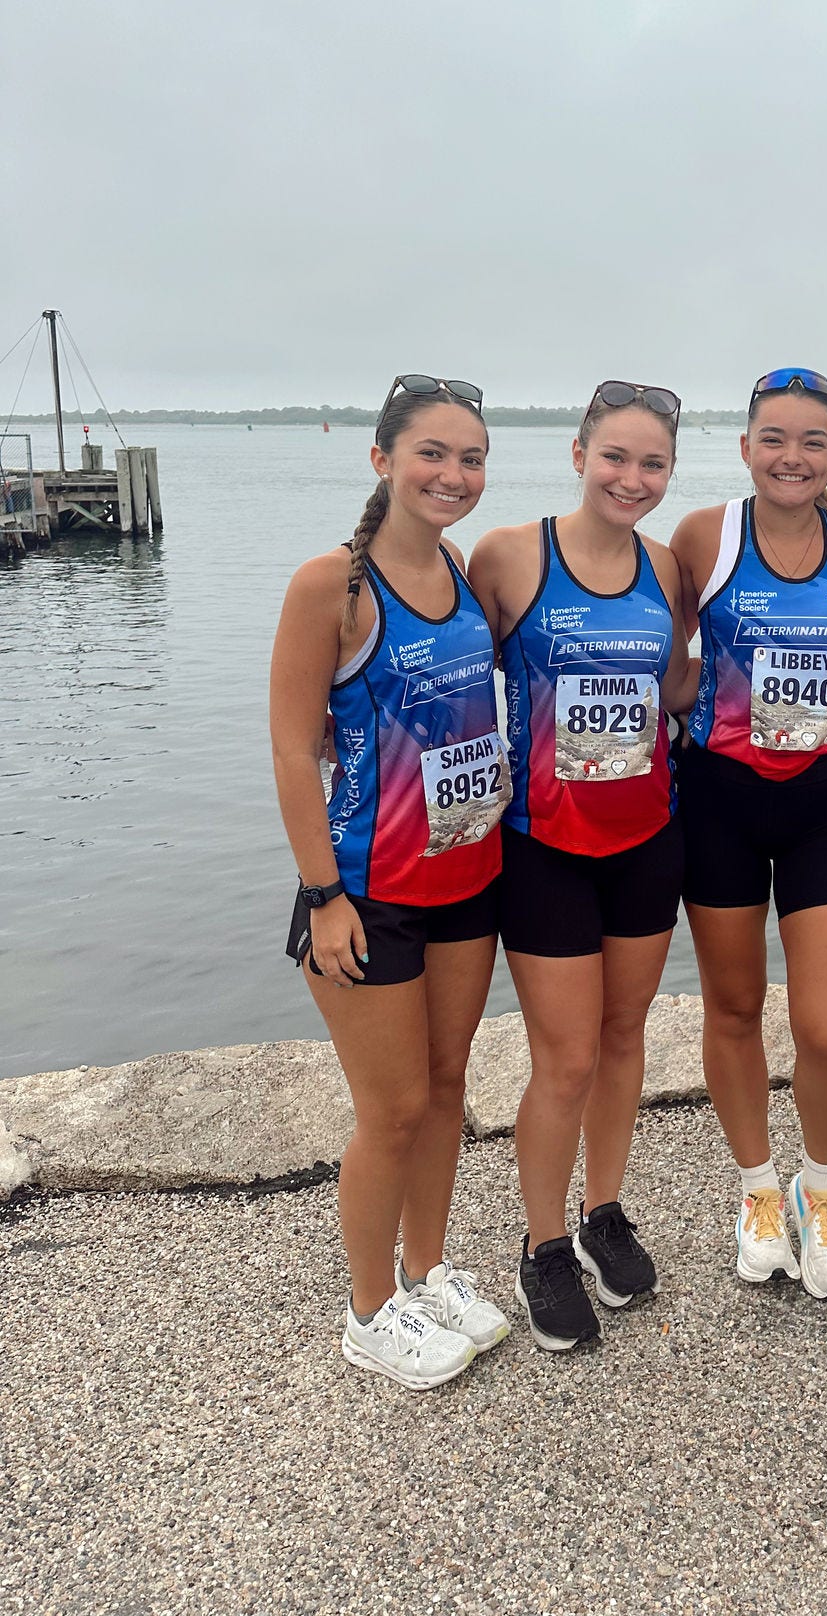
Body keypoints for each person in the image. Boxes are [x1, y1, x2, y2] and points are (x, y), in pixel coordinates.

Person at [270, 375, 510, 1390]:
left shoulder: (458, 566)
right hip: (368, 892)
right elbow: (293, 751)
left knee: (449, 1088)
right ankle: (369, 1311)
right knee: (395, 1109)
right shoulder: (332, 586)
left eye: (470, 458)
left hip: (468, 877)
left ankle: (427, 1270)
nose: (453, 474)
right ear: (382, 460)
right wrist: (323, 896)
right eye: (432, 454)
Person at [469, 381, 693, 1353]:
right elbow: (445, 664)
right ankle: (543, 1244)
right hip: (545, 846)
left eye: (653, 463)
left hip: (646, 837)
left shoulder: (665, 566)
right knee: (563, 1059)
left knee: (624, 1034)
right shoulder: (510, 556)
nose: (632, 479)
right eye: (616, 457)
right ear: (577, 455)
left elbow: (673, 682)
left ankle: (603, 1213)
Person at [670, 369, 827, 1298]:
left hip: (823, 796)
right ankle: (758, 1191)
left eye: (813, 441)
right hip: (719, 796)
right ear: (746, 447)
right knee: (736, 1007)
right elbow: (655, 649)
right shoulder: (704, 537)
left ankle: (821, 1190)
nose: (793, 457)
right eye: (775, 439)